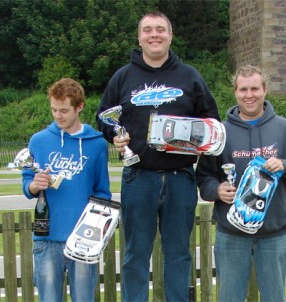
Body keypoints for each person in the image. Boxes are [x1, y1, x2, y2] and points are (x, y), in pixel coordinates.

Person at [96, 11, 220, 302]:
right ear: (139, 38)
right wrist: (115, 135)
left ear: (170, 35)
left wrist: (194, 140)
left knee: (178, 254)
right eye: (148, 30)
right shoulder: (123, 76)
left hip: (180, 179)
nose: (155, 35)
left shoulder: (190, 76)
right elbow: (104, 118)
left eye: (160, 29)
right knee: (135, 255)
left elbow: (211, 122)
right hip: (139, 178)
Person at [196, 65, 286, 302]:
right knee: (229, 298)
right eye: (243, 89)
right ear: (235, 92)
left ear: (265, 90)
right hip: (231, 234)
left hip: (274, 234)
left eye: (254, 89)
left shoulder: (285, 128)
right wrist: (216, 190)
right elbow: (204, 177)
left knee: (274, 298)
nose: (249, 95)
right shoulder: (221, 132)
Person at [21, 78, 111, 301]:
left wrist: (95, 229)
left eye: (64, 110)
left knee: (83, 298)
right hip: (47, 237)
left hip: (83, 239)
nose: (58, 116)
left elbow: (102, 191)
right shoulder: (38, 141)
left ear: (79, 107)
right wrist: (34, 185)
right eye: (53, 110)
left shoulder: (97, 143)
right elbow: (26, 184)